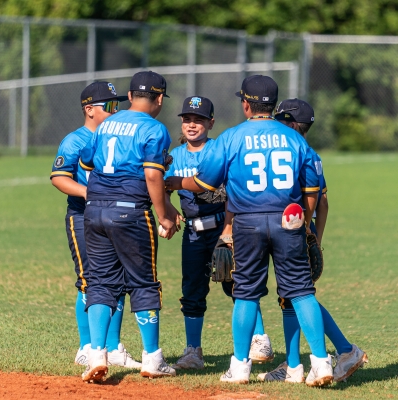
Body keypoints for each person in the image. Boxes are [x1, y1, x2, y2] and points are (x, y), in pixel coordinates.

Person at [165, 75, 333, 387]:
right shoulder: (295, 139)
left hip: (248, 222)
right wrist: (304, 224)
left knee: (245, 293)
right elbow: (311, 190)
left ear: (246, 104)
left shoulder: (233, 137)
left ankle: (240, 367)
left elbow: (206, 183)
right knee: (301, 291)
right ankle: (321, 364)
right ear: (273, 104)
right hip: (288, 220)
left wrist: (178, 183)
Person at [257, 98, 368, 383]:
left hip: (289, 231)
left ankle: (342, 351)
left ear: (291, 124)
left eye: (280, 120)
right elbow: (324, 202)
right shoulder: (309, 152)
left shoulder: (293, 151)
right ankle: (296, 364)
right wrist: (315, 238)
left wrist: (304, 232)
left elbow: (316, 201)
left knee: (297, 294)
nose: (274, 124)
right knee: (293, 296)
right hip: (300, 231)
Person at [79, 71, 178, 383]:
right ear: (159, 98)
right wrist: (164, 215)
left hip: (94, 211)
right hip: (130, 213)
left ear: (130, 95)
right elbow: (152, 176)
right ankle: (152, 358)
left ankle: (96, 353)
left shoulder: (106, 122)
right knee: (143, 283)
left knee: (100, 282)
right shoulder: (155, 128)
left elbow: (87, 163)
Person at [164, 96, 274, 370]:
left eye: (199, 120)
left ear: (211, 123)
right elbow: (160, 186)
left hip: (222, 228)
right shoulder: (174, 157)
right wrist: (168, 210)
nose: (192, 125)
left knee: (238, 284)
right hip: (192, 233)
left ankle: (259, 339)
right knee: (192, 290)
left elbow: (233, 193)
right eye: (187, 119)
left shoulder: (220, 149)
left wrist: (229, 229)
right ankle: (193, 351)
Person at [50, 81, 141, 370]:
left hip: (117, 218)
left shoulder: (118, 136)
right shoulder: (75, 140)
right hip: (83, 217)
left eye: (119, 105)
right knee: (90, 280)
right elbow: (59, 177)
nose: (116, 111)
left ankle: (112, 348)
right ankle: (87, 347)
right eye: (110, 106)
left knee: (121, 281)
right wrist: (90, 192)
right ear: (89, 109)